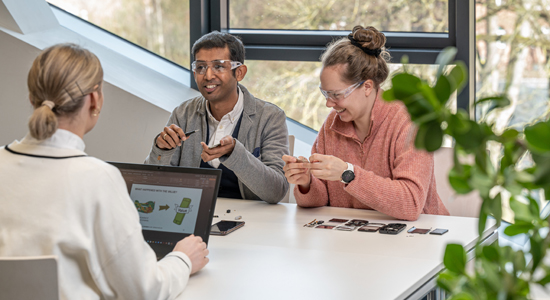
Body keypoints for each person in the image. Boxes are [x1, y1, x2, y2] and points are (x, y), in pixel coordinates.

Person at [0, 44, 209, 299]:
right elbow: (144, 290)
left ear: (31, 99)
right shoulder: (97, 179)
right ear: (94, 100)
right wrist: (183, 258)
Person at [282, 26, 449, 221]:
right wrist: (307, 181)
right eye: (325, 94)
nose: (328, 103)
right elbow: (321, 199)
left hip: (418, 239)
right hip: (357, 239)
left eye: (336, 94)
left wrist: (348, 173)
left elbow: (411, 203)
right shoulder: (332, 125)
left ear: (367, 86)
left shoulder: (408, 121)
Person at [145, 31, 289, 204]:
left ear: (240, 72)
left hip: (251, 223)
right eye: (200, 67)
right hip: (190, 216)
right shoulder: (183, 113)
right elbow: (150, 183)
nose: (208, 76)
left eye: (218, 66)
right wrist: (161, 150)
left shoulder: (270, 117)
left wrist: (236, 154)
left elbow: (277, 191)